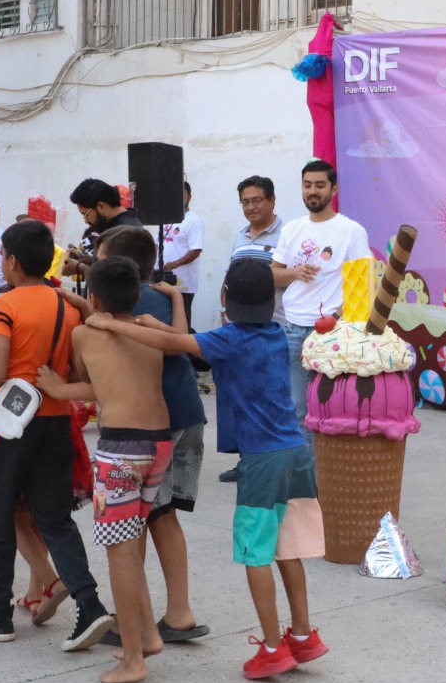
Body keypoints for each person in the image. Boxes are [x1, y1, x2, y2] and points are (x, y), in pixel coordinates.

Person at [87, 258, 327, 680]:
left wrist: (114, 325)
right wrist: (158, 325)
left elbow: (179, 347)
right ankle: (303, 636)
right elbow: (190, 341)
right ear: (271, 301)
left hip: (262, 460)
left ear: (226, 300)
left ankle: (272, 648)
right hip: (295, 453)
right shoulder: (275, 333)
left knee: (257, 552)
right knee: (286, 549)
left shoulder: (232, 339)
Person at [0, 220, 115, 650]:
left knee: (0, 516)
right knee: (54, 518)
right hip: (54, 418)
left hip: (11, 424)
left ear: (11, 262)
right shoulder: (68, 307)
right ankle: (89, 604)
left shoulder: (4, 305)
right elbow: (75, 372)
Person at [36, 257, 171, 683]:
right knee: (131, 545)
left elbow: (91, 379)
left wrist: (58, 389)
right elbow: (113, 381)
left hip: (120, 451)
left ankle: (133, 658)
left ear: (93, 298)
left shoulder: (82, 333)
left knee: (119, 553)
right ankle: (147, 635)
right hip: (159, 443)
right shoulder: (152, 330)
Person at [94, 226, 209, 644]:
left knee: (133, 522)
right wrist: (178, 297)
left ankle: (134, 620)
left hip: (150, 427)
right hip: (190, 417)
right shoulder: (161, 298)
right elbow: (182, 341)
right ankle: (179, 610)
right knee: (164, 515)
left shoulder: (118, 306)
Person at [271, 160, 371, 449]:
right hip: (291, 331)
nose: (312, 191)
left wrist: (338, 319)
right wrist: (294, 272)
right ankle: (308, 486)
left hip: (332, 334)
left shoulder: (350, 230)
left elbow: (362, 287)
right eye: (307, 185)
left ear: (334, 188)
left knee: (331, 411)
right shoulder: (292, 229)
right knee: (298, 412)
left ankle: (327, 482)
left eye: (319, 185)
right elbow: (273, 273)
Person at [219, 175, 287, 483]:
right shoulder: (240, 236)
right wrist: (224, 310)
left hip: (275, 327)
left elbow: (290, 276)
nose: (251, 207)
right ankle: (247, 460)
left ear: (272, 200)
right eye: (245, 202)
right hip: (238, 328)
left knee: (272, 395)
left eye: (257, 200)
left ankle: (272, 462)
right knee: (243, 396)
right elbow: (229, 277)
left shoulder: (288, 234)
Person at [158, 181, 204, 325]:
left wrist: (175, 264)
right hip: (163, 281)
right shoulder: (166, 219)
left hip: (183, 284)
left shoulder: (193, 221)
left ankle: (183, 347)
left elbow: (196, 250)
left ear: (189, 197)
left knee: (181, 322)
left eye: (182, 195)